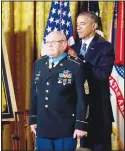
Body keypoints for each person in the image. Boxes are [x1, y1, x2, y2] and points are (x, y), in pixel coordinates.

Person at [29, 31, 88, 151]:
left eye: (54, 42)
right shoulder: (39, 64)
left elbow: (83, 99)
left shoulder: (76, 65)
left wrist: (81, 125)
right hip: (43, 126)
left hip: (66, 127)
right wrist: (33, 119)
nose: (49, 45)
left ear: (64, 44)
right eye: (47, 42)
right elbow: (34, 94)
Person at [70, 11, 115, 151]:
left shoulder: (105, 47)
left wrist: (79, 61)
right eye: (77, 24)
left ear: (94, 25)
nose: (78, 28)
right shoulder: (74, 47)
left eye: (82, 24)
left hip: (98, 112)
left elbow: (101, 75)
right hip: (78, 113)